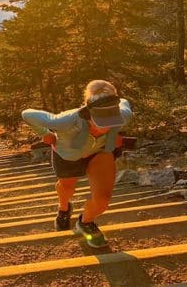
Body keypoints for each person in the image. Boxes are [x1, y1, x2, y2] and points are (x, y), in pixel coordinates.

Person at [21, 80, 132, 248]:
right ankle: (63, 209)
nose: (108, 126)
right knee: (67, 187)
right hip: (68, 155)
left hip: (99, 152)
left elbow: (125, 102)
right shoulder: (65, 120)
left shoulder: (123, 114)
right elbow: (27, 113)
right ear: (88, 113)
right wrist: (44, 133)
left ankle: (85, 222)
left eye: (112, 120)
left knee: (103, 199)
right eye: (101, 121)